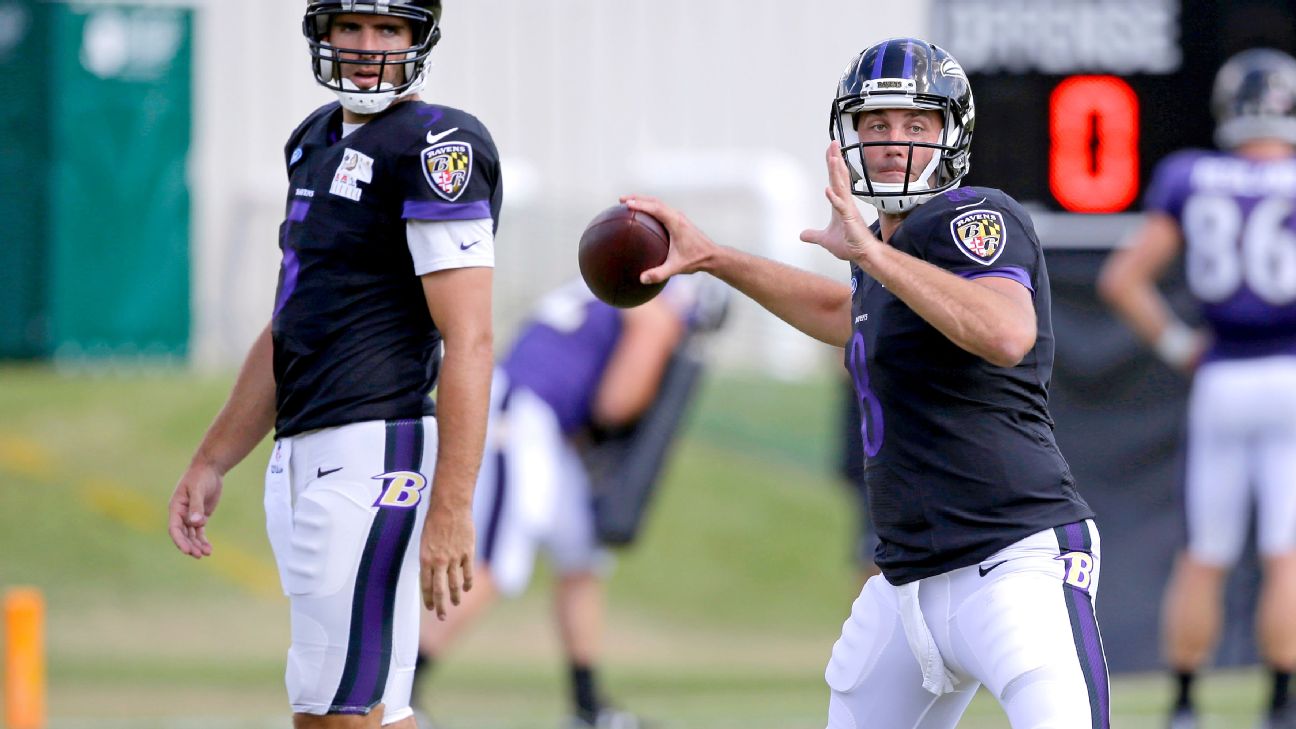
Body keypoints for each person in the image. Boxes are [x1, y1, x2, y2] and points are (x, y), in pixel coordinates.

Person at [623, 37, 1109, 729]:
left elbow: (1005, 331)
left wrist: (874, 255)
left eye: (917, 124)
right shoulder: (884, 248)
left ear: (954, 133)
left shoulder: (973, 216)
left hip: (1012, 560)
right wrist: (715, 256)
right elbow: (841, 313)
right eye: (876, 124)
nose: (893, 142)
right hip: (905, 580)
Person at [166, 2, 501, 726]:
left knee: (331, 711)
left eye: (388, 30)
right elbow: (294, 320)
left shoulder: (438, 145)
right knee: (372, 710)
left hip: (373, 448)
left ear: (419, 40)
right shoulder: (312, 140)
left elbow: (470, 339)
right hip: (307, 447)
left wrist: (452, 503)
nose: (365, 47)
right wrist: (213, 457)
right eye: (349, 26)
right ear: (323, 32)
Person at [412, 275, 723, 729]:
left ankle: (587, 705)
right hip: (523, 418)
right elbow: (616, 402)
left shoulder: (616, 283)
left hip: (547, 426)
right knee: (495, 562)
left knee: (582, 559)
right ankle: (398, 691)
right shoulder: (661, 308)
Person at [1098, 47, 1296, 729]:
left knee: (1204, 551)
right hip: (1287, 374)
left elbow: (1122, 277)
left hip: (1221, 377)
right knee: (1285, 552)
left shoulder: (1190, 175)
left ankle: (1184, 702)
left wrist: (1182, 345)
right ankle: (1279, 700)